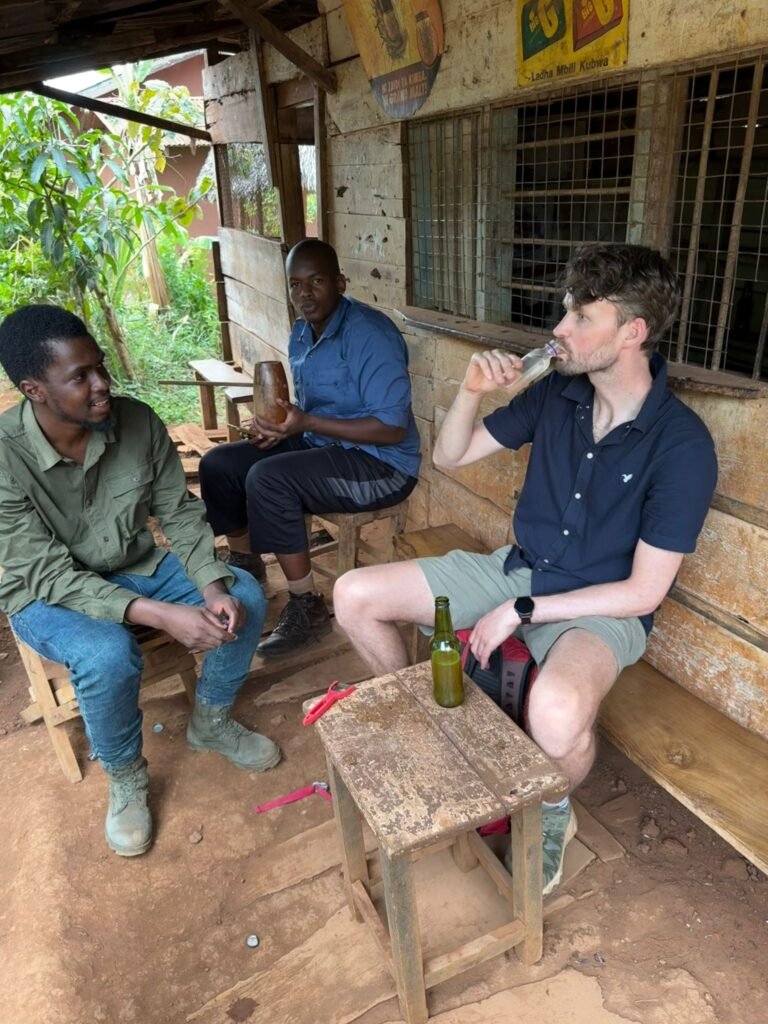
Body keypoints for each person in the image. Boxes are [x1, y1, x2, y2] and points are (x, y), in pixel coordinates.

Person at [333, 244, 718, 894]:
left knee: (559, 712)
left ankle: (553, 812)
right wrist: (470, 392)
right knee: (353, 594)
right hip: (518, 569)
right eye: (565, 311)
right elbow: (453, 456)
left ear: (633, 333)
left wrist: (526, 610)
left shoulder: (681, 445)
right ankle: (445, 733)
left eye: (580, 318)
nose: (559, 331)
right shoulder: (558, 395)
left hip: (602, 608)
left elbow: (645, 590)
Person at [0, 305, 280, 858]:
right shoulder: (4, 457)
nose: (103, 385)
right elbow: (47, 571)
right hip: (45, 592)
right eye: (80, 377)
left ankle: (211, 720)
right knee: (107, 654)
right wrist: (156, 614)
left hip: (135, 564)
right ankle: (126, 774)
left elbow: (177, 511)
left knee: (245, 594)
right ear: (33, 389)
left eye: (100, 367)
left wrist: (210, 586)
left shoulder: (137, 420)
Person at [199, 238, 421, 658]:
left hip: (382, 465)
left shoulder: (370, 334)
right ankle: (247, 570)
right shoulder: (303, 331)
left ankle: (307, 607)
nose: (305, 295)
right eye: (295, 285)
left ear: (339, 282)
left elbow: (392, 429)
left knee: (270, 479)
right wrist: (283, 430)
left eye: (316, 282)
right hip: (324, 444)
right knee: (220, 464)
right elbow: (310, 415)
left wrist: (305, 423)